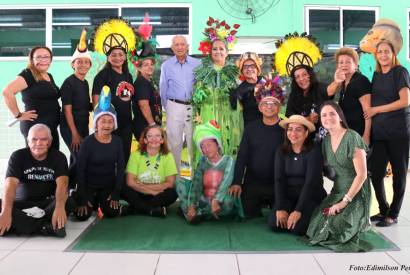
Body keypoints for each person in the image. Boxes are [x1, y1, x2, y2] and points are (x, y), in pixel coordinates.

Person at [307, 101, 372, 252]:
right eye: (324, 115)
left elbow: (362, 175)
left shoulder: (352, 137)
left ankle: (362, 217)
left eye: (332, 114)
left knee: (338, 226)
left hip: (356, 191)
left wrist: (344, 202)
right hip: (338, 188)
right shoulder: (326, 140)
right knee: (315, 223)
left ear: (340, 117)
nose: (327, 117)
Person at [364, 40, 410, 227]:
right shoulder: (376, 75)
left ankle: (394, 213)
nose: (383, 55)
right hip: (380, 133)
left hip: (399, 132)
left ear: (393, 54)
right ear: (376, 55)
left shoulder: (400, 72)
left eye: (386, 52)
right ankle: (383, 209)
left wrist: (377, 110)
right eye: (380, 52)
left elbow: (405, 101)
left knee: (399, 174)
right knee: (376, 174)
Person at [0, 124, 71, 237]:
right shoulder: (18, 156)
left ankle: (23, 226)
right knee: (4, 206)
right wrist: (6, 212)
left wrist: (59, 207)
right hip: (21, 204)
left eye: (43, 139)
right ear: (28, 141)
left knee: (68, 201)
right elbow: (10, 185)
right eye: (34, 139)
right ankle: (44, 227)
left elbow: (63, 184)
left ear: (50, 141)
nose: (38, 143)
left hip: (47, 205)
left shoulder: (59, 157)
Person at [229, 79, 284, 218]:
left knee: (278, 216)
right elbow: (242, 156)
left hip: (277, 183)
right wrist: (236, 182)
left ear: (279, 107)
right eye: (265, 103)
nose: (269, 107)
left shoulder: (287, 128)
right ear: (259, 107)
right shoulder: (251, 128)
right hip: (253, 182)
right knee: (245, 213)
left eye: (273, 104)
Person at [268, 115, 326, 235]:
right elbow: (279, 180)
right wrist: (280, 207)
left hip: (310, 196)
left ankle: (314, 215)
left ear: (306, 133)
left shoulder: (314, 152)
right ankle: (289, 210)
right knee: (275, 224)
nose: (293, 133)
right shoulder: (281, 151)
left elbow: (310, 183)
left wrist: (298, 211)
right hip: (289, 196)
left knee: (297, 229)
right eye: (290, 129)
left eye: (298, 129)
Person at [192, 17, 241, 161]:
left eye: (221, 49)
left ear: (227, 52)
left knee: (228, 147)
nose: (218, 52)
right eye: (215, 49)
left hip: (230, 120)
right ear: (210, 52)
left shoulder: (235, 74)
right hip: (208, 117)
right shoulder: (202, 73)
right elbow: (196, 101)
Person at [74, 87, 126, 220]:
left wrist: (116, 193)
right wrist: (82, 196)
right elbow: (80, 170)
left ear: (114, 124)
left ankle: (100, 204)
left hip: (107, 186)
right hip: (88, 186)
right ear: (96, 123)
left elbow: (120, 169)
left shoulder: (118, 141)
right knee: (82, 215)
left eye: (110, 122)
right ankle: (89, 201)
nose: (107, 125)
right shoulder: (87, 142)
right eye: (103, 121)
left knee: (112, 212)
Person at [176, 120, 243, 224]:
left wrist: (216, 200)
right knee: (179, 181)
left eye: (209, 145)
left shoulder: (228, 160)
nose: (206, 149)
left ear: (217, 144)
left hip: (221, 201)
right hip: (204, 200)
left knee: (229, 202)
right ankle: (193, 212)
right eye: (202, 146)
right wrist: (191, 205)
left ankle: (195, 214)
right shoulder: (202, 161)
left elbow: (226, 182)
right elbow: (196, 185)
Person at [91, 18, 136, 163]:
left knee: (125, 155)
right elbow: (96, 100)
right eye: (113, 55)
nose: (117, 58)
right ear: (108, 58)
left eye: (120, 55)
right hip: (109, 123)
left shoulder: (128, 75)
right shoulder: (102, 75)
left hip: (126, 123)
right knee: (109, 156)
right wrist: (100, 123)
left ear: (125, 57)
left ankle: (123, 184)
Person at [3, 46, 61, 149]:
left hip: (51, 126)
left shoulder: (48, 75)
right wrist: (18, 115)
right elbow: (7, 92)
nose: (43, 60)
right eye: (38, 57)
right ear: (32, 60)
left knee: (52, 160)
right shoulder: (28, 74)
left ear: (50, 60)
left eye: (46, 57)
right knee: (37, 161)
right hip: (36, 127)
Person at [160, 35, 201, 172]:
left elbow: (201, 86)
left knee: (193, 142)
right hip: (174, 106)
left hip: (193, 107)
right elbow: (163, 87)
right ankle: (174, 180)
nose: (179, 47)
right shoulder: (166, 65)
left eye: (182, 44)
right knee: (174, 143)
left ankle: (195, 177)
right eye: (176, 45)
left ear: (187, 46)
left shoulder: (197, 64)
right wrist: (168, 107)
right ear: (172, 48)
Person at [122, 125, 178, 218]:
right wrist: (150, 191)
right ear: (145, 140)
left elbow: (169, 183)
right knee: (123, 185)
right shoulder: (136, 155)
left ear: (162, 140)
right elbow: (130, 182)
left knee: (173, 192)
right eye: (150, 136)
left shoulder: (168, 156)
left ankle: (136, 207)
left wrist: (147, 188)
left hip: (158, 193)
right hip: (139, 192)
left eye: (157, 136)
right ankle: (151, 210)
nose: (154, 139)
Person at [60, 29, 92, 188]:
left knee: (75, 158)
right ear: (73, 64)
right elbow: (67, 110)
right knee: (80, 159)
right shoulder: (69, 83)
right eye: (79, 62)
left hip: (83, 125)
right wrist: (74, 133)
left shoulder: (85, 83)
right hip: (70, 127)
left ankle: (71, 189)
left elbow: (86, 105)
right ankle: (63, 188)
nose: (83, 64)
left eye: (86, 62)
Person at [327, 47, 372, 144]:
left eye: (348, 62)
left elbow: (368, 112)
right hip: (348, 133)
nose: (344, 65)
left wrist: (366, 136)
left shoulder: (361, 81)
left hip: (359, 134)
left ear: (355, 65)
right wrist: (337, 81)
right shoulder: (343, 82)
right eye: (341, 62)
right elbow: (328, 93)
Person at [130, 37, 162, 140]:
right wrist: (152, 125)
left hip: (150, 126)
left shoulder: (149, 81)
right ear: (139, 67)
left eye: (151, 64)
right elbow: (143, 105)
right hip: (145, 127)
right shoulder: (141, 83)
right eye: (146, 65)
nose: (150, 67)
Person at [231, 52, 264, 126]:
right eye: (245, 67)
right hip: (252, 128)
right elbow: (234, 108)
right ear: (242, 71)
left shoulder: (265, 81)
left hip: (270, 125)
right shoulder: (239, 91)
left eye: (252, 66)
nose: (249, 69)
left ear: (257, 68)